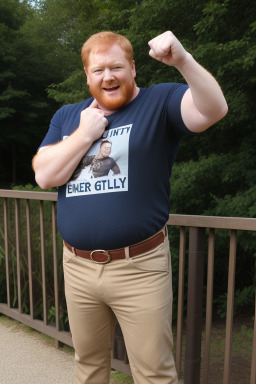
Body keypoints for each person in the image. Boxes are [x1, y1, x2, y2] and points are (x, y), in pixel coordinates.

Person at [32, 30, 228, 384]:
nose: (108, 76)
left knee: (154, 373)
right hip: (77, 266)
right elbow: (45, 175)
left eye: (116, 67)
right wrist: (85, 134)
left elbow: (213, 110)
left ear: (133, 68)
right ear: (87, 76)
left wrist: (182, 59)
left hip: (140, 266)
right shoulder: (67, 116)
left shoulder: (160, 101)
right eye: (98, 70)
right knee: (88, 366)